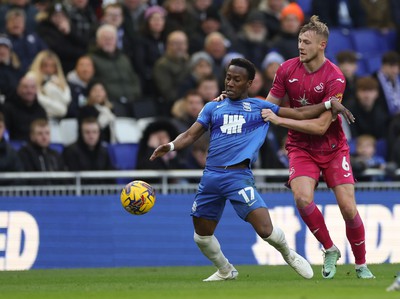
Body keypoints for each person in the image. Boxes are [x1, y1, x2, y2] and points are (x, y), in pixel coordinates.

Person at [149, 57, 352, 281]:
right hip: (211, 176)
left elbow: (300, 114)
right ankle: (226, 270)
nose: (231, 83)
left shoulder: (259, 108)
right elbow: (189, 135)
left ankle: (288, 254)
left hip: (237, 176)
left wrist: (326, 104)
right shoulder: (213, 107)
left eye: (237, 79)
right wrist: (170, 146)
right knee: (201, 236)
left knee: (265, 230)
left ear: (249, 83)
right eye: (228, 78)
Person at [261, 15, 375, 279]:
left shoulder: (335, 78)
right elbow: (268, 105)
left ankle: (361, 264)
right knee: (301, 198)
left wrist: (280, 119)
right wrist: (235, 102)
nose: (301, 46)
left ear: (322, 45)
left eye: (307, 42)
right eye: (299, 40)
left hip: (333, 147)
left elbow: (321, 127)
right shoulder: (286, 70)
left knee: (348, 208)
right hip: (300, 147)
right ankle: (329, 248)